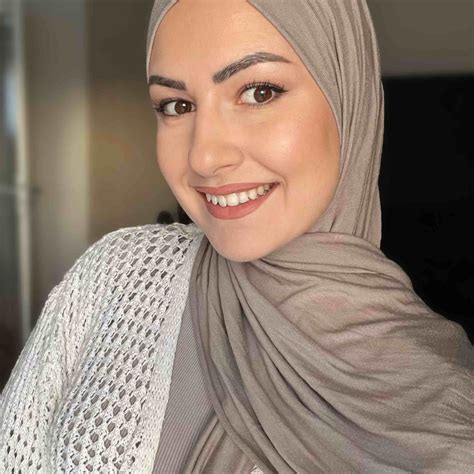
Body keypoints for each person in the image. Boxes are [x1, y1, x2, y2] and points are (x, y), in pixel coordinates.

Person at [1, 0, 473, 472]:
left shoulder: (447, 410)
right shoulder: (117, 278)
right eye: (177, 106)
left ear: (347, 95)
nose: (204, 158)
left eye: (259, 93)